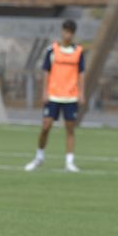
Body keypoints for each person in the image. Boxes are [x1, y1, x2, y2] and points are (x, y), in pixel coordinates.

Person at [24, 19, 86, 173]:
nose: (67, 34)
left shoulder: (78, 52)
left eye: (70, 32)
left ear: (73, 34)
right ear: (62, 31)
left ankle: (69, 161)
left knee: (70, 129)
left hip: (70, 95)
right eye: (65, 31)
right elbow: (46, 71)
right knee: (46, 126)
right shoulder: (52, 50)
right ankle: (39, 156)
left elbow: (81, 73)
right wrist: (44, 91)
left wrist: (81, 93)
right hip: (53, 94)